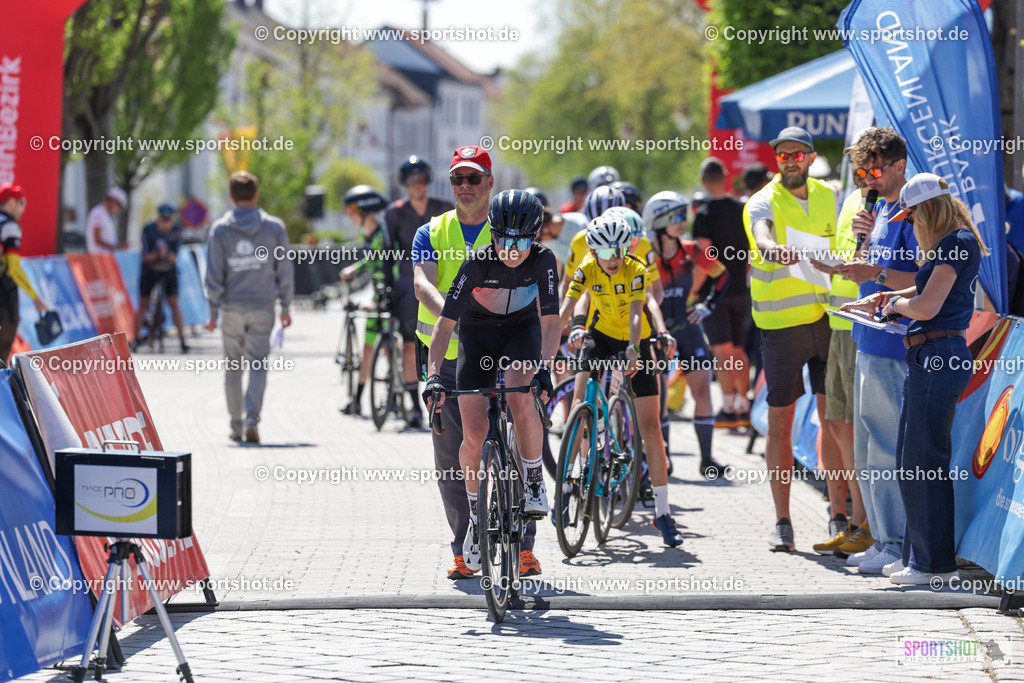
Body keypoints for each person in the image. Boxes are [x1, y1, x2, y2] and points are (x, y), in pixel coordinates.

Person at [843, 173, 989, 585]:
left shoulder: (956, 242)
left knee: (924, 464)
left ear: (926, 209)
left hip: (940, 356)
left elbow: (926, 307)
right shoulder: (951, 242)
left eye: (910, 216)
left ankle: (933, 565)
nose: (909, 224)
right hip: (929, 355)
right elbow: (922, 296)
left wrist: (894, 306)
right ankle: (916, 556)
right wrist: (886, 298)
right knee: (912, 462)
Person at [412, 145, 541, 580]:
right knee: (455, 454)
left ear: (490, 183)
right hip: (447, 356)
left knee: (518, 436)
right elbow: (422, 284)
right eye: (457, 178)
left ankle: (524, 546)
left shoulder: (509, 223)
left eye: (474, 178)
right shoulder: (432, 231)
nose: (465, 186)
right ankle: (463, 547)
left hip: (502, 348)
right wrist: (457, 315)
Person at [743, 126, 840, 552]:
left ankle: (838, 516)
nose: (789, 161)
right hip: (781, 328)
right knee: (780, 423)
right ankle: (783, 521)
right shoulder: (762, 200)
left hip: (826, 321)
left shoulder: (828, 196)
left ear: (812, 158)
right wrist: (770, 247)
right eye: (782, 155)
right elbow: (762, 232)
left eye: (797, 155)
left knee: (833, 421)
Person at [560, 214, 684, 547]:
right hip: (600, 336)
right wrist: (554, 340)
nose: (613, 258)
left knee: (651, 428)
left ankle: (662, 512)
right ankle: (570, 483)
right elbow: (567, 306)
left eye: (618, 250)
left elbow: (636, 313)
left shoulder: (636, 268)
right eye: (605, 252)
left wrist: (633, 349)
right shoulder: (587, 267)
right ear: (592, 251)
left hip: (634, 339)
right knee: (579, 404)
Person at [834, 127, 917, 575]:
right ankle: (883, 537)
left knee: (887, 449)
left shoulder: (913, 211)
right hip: (867, 336)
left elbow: (924, 279)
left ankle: (898, 544)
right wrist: (861, 246)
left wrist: (874, 273)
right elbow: (871, 270)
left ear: (900, 166)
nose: (867, 180)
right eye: (861, 173)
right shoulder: (879, 208)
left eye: (874, 171)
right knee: (867, 451)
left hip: (894, 343)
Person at [808, 147, 875, 556]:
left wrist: (837, 266)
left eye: (867, 166)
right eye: (856, 166)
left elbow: (874, 263)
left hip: (862, 326)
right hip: (838, 321)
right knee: (835, 423)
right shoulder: (850, 198)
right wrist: (826, 263)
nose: (861, 173)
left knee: (856, 427)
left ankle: (865, 524)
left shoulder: (886, 203)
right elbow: (852, 257)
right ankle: (855, 520)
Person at [646, 191, 731, 478]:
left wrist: (707, 306)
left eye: (684, 215)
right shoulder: (644, 253)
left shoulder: (690, 249)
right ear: (658, 221)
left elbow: (723, 275)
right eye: (676, 216)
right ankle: (663, 459)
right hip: (657, 332)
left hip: (688, 327)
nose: (683, 222)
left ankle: (707, 458)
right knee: (658, 399)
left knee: (703, 389)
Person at [205, 171, 293, 445]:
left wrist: (213, 310)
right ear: (255, 195)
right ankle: (252, 420)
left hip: (231, 307)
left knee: (233, 367)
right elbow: (284, 270)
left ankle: (235, 426)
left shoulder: (220, 229)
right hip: (263, 306)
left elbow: (213, 273)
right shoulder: (274, 228)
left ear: (231, 197)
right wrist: (286, 306)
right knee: (258, 364)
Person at [384, 156, 453, 428]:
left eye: (421, 179)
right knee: (410, 344)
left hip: (442, 283)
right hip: (406, 285)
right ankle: (414, 407)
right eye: (412, 180)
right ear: (404, 183)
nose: (417, 184)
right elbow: (387, 254)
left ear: (428, 180)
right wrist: (386, 289)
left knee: (446, 337)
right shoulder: (394, 213)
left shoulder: (444, 208)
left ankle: (446, 396)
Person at [691, 157, 752, 429]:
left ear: (703, 181)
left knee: (722, 351)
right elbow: (750, 252)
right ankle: (744, 406)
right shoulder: (743, 208)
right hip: (740, 289)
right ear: (726, 175)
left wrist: (693, 291)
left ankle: (728, 409)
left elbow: (705, 258)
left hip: (714, 294)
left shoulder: (704, 214)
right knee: (738, 349)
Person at [340, 185, 394, 417]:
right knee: (368, 348)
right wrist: (355, 267)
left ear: (365, 211)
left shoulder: (383, 235)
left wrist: (383, 299)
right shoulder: (367, 234)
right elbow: (372, 260)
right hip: (376, 297)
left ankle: (396, 394)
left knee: (390, 349)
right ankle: (357, 400)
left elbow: (388, 265)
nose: (349, 215)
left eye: (351, 211)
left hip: (387, 298)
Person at [0, 183, 48, 361]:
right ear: (11, 203)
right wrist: (35, 297)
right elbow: (13, 268)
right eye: (22, 203)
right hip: (3, 294)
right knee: (3, 341)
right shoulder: (10, 226)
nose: (24, 209)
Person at [133, 204, 189, 353]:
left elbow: (174, 257)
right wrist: (158, 254)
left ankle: (182, 339)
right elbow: (146, 256)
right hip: (150, 270)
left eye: (168, 220)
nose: (165, 223)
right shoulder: (148, 230)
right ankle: (136, 337)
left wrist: (166, 255)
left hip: (168, 270)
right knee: (144, 302)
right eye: (162, 220)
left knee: (173, 302)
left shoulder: (177, 231)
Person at [86, 187, 129, 254]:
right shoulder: (98, 213)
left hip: (105, 257)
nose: (118, 209)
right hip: (100, 257)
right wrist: (118, 246)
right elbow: (97, 240)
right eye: (119, 206)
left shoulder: (104, 214)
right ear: (112, 200)